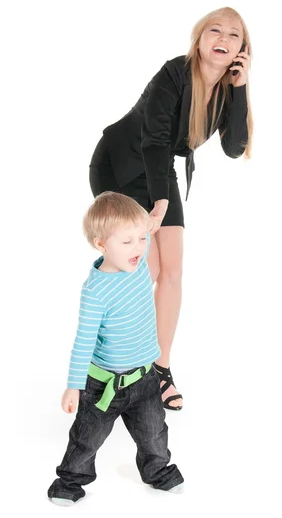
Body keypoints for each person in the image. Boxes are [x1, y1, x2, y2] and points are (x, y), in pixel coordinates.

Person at [89, 7, 253, 410]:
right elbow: (155, 137)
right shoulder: (174, 72)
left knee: (172, 271)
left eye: (234, 35)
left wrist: (240, 88)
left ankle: (158, 371)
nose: (224, 37)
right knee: (145, 268)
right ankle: (107, 365)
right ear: (199, 39)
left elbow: (234, 149)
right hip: (123, 162)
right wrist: (161, 198)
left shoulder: (226, 90)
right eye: (214, 29)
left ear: (241, 50)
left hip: (160, 169)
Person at [47, 192, 184, 506]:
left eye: (140, 239)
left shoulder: (138, 264)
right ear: (101, 245)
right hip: (104, 386)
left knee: (154, 433)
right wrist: (73, 386)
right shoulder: (95, 291)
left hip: (145, 379)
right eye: (127, 242)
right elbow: (82, 342)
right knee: (87, 438)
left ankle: (158, 471)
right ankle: (69, 481)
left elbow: (147, 230)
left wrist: (155, 212)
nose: (138, 247)